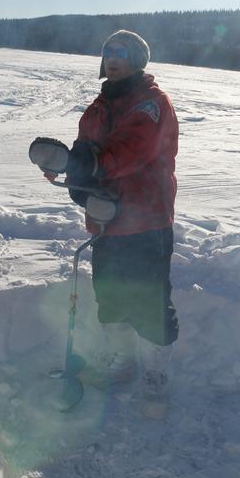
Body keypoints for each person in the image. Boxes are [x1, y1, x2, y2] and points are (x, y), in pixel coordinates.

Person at [65, 30, 179, 418]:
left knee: (150, 306)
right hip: (107, 221)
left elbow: (133, 150)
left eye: (122, 52)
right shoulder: (98, 107)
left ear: (138, 60)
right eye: (107, 50)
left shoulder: (151, 104)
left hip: (147, 222)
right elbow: (85, 151)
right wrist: (76, 183)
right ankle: (123, 363)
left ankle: (155, 377)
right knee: (111, 301)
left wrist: (93, 164)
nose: (112, 57)